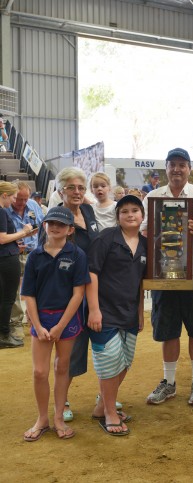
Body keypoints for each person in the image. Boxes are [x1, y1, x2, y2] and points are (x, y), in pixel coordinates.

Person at [142, 147, 193, 406]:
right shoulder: (153, 197)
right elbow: (143, 232)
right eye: (172, 164)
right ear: (165, 168)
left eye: (182, 165)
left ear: (190, 169)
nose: (177, 169)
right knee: (167, 330)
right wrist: (156, 234)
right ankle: (170, 382)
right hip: (164, 277)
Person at [21, 207, 90, 441]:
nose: (55, 227)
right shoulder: (34, 256)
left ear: (70, 230)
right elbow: (28, 294)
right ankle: (43, 418)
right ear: (44, 226)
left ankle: (58, 416)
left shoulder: (78, 255)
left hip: (67, 320)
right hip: (41, 318)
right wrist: (38, 325)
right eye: (51, 223)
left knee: (62, 368)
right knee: (40, 372)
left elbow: (78, 294)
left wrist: (61, 326)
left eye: (61, 224)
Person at [38, 167, 101, 422]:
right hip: (67, 295)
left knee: (98, 345)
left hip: (92, 290)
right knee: (68, 353)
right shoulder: (57, 217)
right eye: (71, 188)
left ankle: (104, 395)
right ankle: (61, 403)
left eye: (81, 188)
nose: (77, 192)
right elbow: (45, 254)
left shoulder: (88, 210)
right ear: (61, 190)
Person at [87, 195, 147, 436]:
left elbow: (142, 282)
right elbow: (91, 274)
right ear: (117, 216)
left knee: (123, 363)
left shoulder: (145, 244)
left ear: (142, 215)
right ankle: (110, 413)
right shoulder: (106, 238)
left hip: (130, 313)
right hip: (104, 312)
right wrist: (94, 310)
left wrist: (141, 313)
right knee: (110, 363)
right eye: (124, 211)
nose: (130, 215)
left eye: (135, 210)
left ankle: (102, 406)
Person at [8, 181, 45, 343]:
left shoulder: (33, 205)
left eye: (25, 198)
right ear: (12, 196)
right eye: (19, 199)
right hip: (13, 255)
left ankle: (39, 320)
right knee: (13, 291)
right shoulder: (4, 209)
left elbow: (43, 226)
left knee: (40, 288)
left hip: (36, 253)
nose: (22, 203)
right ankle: (15, 323)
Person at [0, 181, 35, 348]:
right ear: (4, 196)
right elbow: (2, 238)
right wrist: (25, 232)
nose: (15, 201)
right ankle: (4, 334)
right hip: (7, 258)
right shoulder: (2, 211)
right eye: (14, 197)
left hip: (9, 255)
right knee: (8, 298)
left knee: (6, 298)